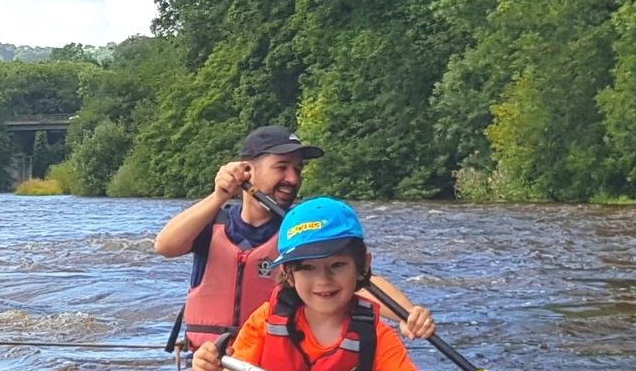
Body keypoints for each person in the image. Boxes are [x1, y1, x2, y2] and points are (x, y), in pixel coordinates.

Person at [182, 197, 480, 371]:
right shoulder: (265, 320)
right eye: (308, 268)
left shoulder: (374, 334)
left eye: (337, 265)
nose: (323, 280)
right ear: (289, 273)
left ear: (362, 266)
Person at [153, 125, 433, 347]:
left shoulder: (301, 230)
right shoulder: (212, 222)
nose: (293, 178)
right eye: (282, 167)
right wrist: (219, 196)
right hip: (209, 363)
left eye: (297, 169)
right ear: (247, 171)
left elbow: (355, 278)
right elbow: (165, 246)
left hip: (271, 363)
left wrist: (408, 315)